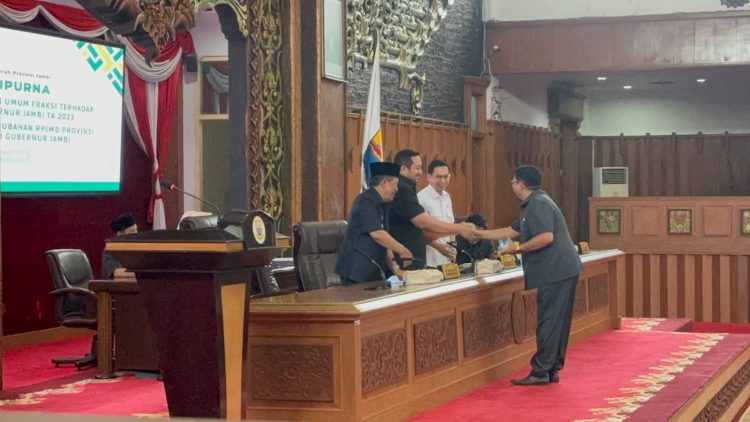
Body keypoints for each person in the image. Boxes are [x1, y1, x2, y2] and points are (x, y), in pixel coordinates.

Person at [479, 165, 582, 386]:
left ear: (521, 184)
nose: (513, 186)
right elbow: (510, 231)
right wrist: (479, 234)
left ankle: (541, 371)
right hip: (561, 270)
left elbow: (546, 237)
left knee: (550, 319)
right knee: (557, 320)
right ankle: (551, 367)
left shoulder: (538, 204)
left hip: (555, 270)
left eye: (513, 182)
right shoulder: (533, 203)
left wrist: (516, 249)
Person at [388, 149, 478, 269]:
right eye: (417, 168)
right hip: (415, 257)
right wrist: (460, 229)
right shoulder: (404, 190)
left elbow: (445, 224)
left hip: (427, 258)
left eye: (446, 177)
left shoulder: (444, 196)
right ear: (403, 169)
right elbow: (423, 222)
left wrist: (453, 243)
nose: (420, 172)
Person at [335, 162, 414, 284]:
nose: (397, 189)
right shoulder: (365, 201)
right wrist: (403, 250)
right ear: (384, 183)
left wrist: (395, 269)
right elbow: (377, 235)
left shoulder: (384, 205)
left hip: (373, 272)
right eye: (395, 185)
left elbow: (385, 240)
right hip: (356, 272)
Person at [417, 159, 456, 267]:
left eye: (446, 176)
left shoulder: (447, 197)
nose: (443, 180)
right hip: (430, 259)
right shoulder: (421, 198)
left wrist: (453, 246)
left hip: (447, 259)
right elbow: (420, 232)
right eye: (439, 177)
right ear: (429, 177)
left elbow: (451, 226)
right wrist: (439, 247)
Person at [101, 213, 138, 279]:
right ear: (120, 234)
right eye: (132, 231)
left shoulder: (135, 247)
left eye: (136, 230)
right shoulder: (111, 249)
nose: (136, 234)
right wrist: (144, 276)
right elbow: (118, 274)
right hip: (113, 287)